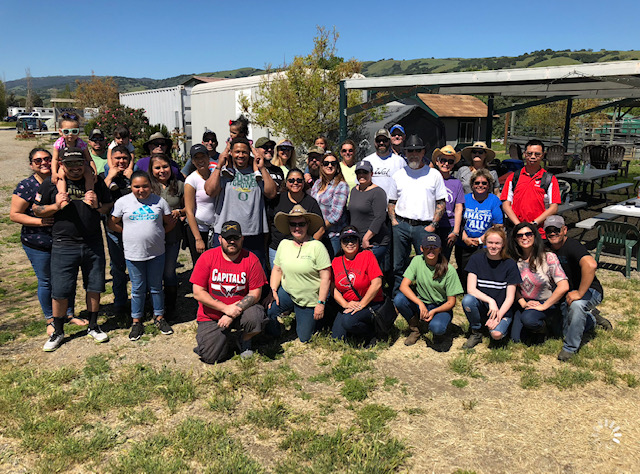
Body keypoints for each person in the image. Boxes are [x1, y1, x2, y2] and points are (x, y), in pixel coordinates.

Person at [34, 147, 113, 351]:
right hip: (63, 243)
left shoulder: (95, 183)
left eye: (79, 163)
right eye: (70, 164)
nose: (75, 168)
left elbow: (108, 206)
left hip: (92, 242)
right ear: (62, 164)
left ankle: (93, 326)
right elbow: (37, 210)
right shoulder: (50, 185)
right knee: (60, 289)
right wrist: (55, 207)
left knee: (94, 286)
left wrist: (98, 206)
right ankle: (58, 331)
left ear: (85, 163)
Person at [10, 148, 78, 337]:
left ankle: (69, 314)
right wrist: (39, 221)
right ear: (31, 165)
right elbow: (14, 215)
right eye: (38, 160)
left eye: (47, 159)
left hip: (64, 240)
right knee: (47, 281)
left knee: (67, 279)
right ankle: (51, 319)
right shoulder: (26, 186)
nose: (44, 163)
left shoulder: (62, 180)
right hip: (38, 241)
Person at [109, 171, 176, 341]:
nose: (141, 190)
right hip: (133, 253)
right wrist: (127, 232)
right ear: (131, 187)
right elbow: (113, 222)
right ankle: (136, 320)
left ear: (150, 186)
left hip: (156, 252)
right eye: (136, 186)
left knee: (156, 287)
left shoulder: (159, 201)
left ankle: (159, 317)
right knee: (138, 288)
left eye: (145, 186)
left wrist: (159, 234)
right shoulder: (123, 202)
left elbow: (168, 222)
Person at [191, 221, 268, 362]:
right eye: (228, 238)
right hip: (212, 315)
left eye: (236, 238)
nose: (232, 242)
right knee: (210, 357)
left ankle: (245, 339)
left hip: (241, 312)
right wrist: (225, 308)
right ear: (220, 239)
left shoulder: (251, 259)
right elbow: (198, 292)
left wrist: (232, 314)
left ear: (242, 238)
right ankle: (216, 340)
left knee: (256, 316)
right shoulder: (207, 257)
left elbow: (255, 294)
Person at [544, 216, 612, 361]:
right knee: (561, 331)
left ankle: (570, 348)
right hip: (565, 293)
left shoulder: (573, 245)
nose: (553, 233)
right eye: (549, 230)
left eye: (556, 229)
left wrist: (580, 293)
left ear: (564, 230)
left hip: (589, 290)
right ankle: (591, 319)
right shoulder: (546, 246)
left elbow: (591, 265)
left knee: (577, 305)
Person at [387, 137, 447, 294]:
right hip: (401, 225)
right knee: (398, 265)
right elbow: (392, 201)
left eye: (417, 150)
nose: (414, 154)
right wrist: (394, 221)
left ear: (423, 152)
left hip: (424, 227)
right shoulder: (398, 175)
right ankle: (397, 297)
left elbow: (441, 202)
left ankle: (426, 295)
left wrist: (433, 225)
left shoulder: (434, 175)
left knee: (428, 264)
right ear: (405, 153)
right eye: (410, 151)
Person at [205, 137, 277, 266]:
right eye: (237, 152)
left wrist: (263, 168)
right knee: (224, 272)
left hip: (253, 232)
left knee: (254, 273)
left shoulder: (257, 174)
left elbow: (271, 193)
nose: (240, 155)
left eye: (244, 152)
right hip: (226, 232)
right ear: (231, 153)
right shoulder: (225, 172)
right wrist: (219, 165)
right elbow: (210, 191)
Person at [268, 205, 332, 343]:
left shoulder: (317, 247)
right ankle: (276, 333)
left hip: (309, 298)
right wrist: (273, 290)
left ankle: (314, 318)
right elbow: (277, 269)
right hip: (288, 291)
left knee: (304, 338)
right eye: (293, 224)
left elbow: (326, 277)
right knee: (270, 311)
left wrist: (321, 303)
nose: (297, 228)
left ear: (308, 225)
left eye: (301, 224)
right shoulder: (284, 244)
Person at [393, 233, 463, 350]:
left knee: (437, 328)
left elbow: (451, 302)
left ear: (440, 249)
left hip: (440, 306)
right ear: (421, 249)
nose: (431, 251)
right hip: (422, 302)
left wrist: (434, 311)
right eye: (427, 247)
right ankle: (416, 329)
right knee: (399, 299)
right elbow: (403, 286)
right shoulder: (417, 260)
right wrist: (420, 304)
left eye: (434, 247)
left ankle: (439, 326)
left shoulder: (449, 270)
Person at [461, 226, 521, 348]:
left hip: (502, 309)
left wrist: (498, 316)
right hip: (484, 306)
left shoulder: (510, 264)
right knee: (468, 300)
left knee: (496, 335)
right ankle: (476, 331)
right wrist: (490, 300)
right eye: (490, 242)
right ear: (485, 243)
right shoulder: (476, 259)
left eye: (497, 243)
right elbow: (471, 289)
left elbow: (510, 297)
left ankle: (500, 326)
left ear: (503, 244)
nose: (493, 246)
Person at [508, 222, 569, 343]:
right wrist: (523, 303)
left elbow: (563, 286)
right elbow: (512, 286)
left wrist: (543, 306)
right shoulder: (513, 260)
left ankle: (545, 327)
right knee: (516, 339)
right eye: (520, 235)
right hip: (525, 303)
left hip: (547, 302)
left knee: (529, 320)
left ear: (535, 236)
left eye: (528, 234)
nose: (524, 237)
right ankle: (535, 329)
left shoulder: (548, 257)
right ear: (515, 239)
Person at [331, 226, 384, 344]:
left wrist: (361, 305)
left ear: (358, 241)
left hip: (370, 302)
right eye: (346, 240)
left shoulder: (367, 256)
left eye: (353, 240)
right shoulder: (336, 261)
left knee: (348, 321)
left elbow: (377, 283)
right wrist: (345, 304)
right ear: (340, 242)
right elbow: (332, 288)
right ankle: (356, 327)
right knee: (337, 339)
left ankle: (371, 333)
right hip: (349, 304)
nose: (350, 243)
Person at [501, 139, 561, 239]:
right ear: (524, 154)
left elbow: (554, 207)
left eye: (537, 154)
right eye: (529, 154)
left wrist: (534, 224)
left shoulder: (549, 179)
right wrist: (518, 225)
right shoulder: (514, 177)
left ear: (542, 155)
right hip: (515, 229)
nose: (533, 157)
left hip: (539, 231)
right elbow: (506, 204)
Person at [456, 168, 504, 291]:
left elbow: (498, 225)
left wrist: (481, 239)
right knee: (464, 271)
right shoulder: (465, 199)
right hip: (464, 240)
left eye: (484, 183)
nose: (480, 185)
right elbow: (458, 221)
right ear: (472, 184)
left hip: (484, 243)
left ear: (489, 185)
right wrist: (465, 237)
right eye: (477, 183)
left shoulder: (493, 200)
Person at [149, 153, 185, 315]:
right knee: (153, 272)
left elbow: (189, 207)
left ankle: (171, 306)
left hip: (172, 236)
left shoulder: (180, 185)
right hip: (152, 237)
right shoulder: (147, 186)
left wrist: (179, 211)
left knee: (169, 271)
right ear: (151, 170)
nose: (162, 170)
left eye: (165, 166)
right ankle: (155, 305)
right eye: (157, 168)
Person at [268, 168, 325, 269]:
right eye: (291, 180)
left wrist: (308, 247)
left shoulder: (310, 202)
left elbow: (321, 229)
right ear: (286, 182)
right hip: (277, 248)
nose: (295, 183)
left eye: (299, 180)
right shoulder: (277, 200)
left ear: (303, 183)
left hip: (302, 251)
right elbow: (269, 222)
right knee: (277, 281)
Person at [102, 145, 135, 315]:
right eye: (118, 158)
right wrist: (109, 177)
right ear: (111, 160)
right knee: (118, 267)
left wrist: (132, 177)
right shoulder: (104, 177)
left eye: (125, 158)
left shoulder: (135, 177)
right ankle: (120, 303)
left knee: (137, 266)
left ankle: (140, 302)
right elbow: (98, 197)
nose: (121, 161)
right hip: (114, 229)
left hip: (136, 228)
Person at [347, 160, 389, 268]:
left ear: (371, 174)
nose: (361, 175)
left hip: (373, 242)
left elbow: (380, 217)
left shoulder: (378, 192)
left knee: (368, 271)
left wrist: (366, 238)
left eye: (365, 172)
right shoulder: (354, 190)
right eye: (359, 172)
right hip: (358, 240)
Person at [309, 152, 349, 255]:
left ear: (337, 166)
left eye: (333, 163)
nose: (330, 166)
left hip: (333, 236)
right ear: (321, 166)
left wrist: (320, 230)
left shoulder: (341, 185)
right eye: (326, 163)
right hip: (316, 233)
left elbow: (335, 215)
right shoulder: (317, 183)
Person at [51, 112, 97, 196]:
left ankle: (89, 193)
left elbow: (89, 159)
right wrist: (54, 173)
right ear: (60, 132)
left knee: (88, 174)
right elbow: (55, 159)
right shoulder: (59, 144)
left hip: (81, 164)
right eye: (66, 131)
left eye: (74, 131)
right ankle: (62, 194)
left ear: (78, 132)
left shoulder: (81, 144)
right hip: (65, 165)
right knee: (61, 174)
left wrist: (95, 172)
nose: (70, 134)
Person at [184, 144, 216, 264]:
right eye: (196, 158)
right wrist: (198, 239)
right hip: (199, 229)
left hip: (215, 229)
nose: (200, 160)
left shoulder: (215, 176)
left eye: (203, 156)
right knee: (201, 266)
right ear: (192, 161)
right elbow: (189, 211)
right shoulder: (191, 180)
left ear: (208, 158)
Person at [433, 145, 464, 261]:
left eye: (450, 161)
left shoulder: (456, 183)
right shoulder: (431, 179)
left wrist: (456, 231)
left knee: (444, 257)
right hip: (432, 223)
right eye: (443, 160)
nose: (446, 164)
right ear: (437, 161)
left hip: (448, 225)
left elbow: (458, 207)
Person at [363, 128, 406, 198]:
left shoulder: (400, 161)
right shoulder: (367, 161)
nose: (381, 143)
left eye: (385, 140)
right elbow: (360, 186)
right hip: (371, 206)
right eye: (378, 140)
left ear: (390, 141)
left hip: (393, 205)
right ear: (374, 142)